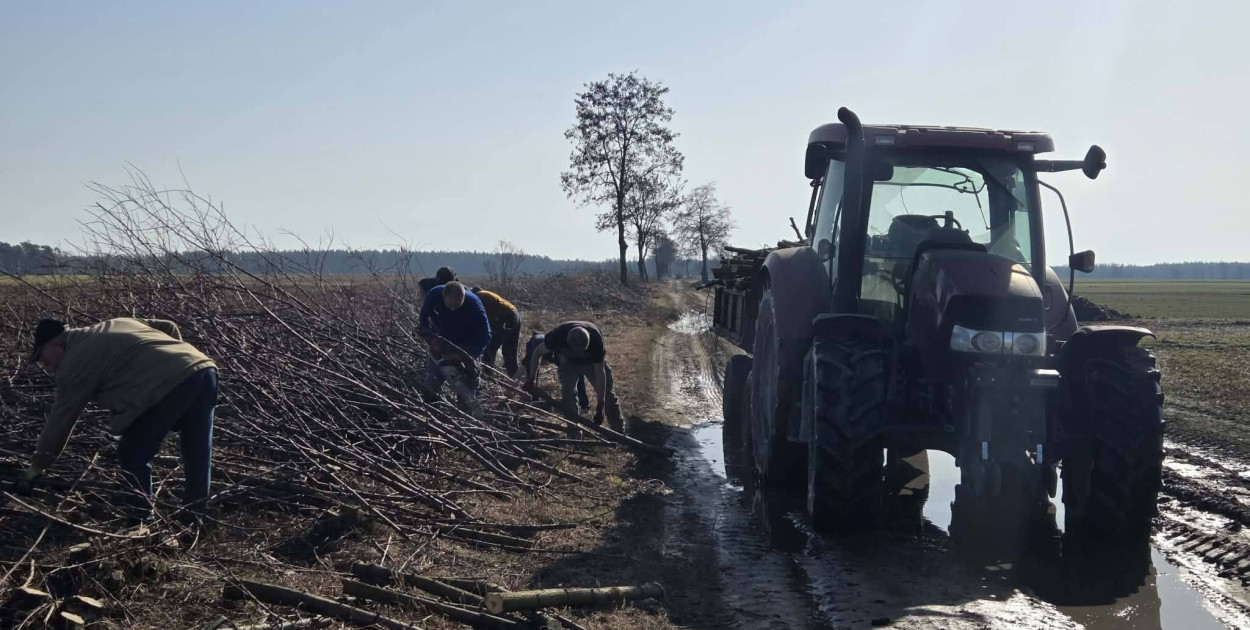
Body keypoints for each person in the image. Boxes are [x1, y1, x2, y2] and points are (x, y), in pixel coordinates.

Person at [22, 317, 218, 519]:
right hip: (203, 368)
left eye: (44, 359)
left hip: (171, 384)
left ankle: (140, 521)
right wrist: (171, 361)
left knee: (132, 454)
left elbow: (59, 424)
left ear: (56, 343)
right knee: (197, 451)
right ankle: (195, 518)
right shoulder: (114, 323)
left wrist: (34, 469)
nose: (48, 367)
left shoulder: (74, 363)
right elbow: (169, 326)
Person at [523, 321, 621, 427]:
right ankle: (573, 431)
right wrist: (531, 378)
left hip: (590, 363)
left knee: (608, 396)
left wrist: (601, 404)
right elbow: (537, 352)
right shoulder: (558, 335)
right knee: (568, 397)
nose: (579, 354)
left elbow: (599, 373)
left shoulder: (596, 340)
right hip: (568, 362)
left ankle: (619, 431)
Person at [417, 281, 491, 417]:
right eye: (449, 305)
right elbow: (423, 321)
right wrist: (431, 337)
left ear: (463, 298)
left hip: (468, 344)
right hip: (443, 340)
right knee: (432, 381)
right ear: (443, 297)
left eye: (457, 305)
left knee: (467, 386)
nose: (452, 309)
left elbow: (485, 336)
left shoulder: (474, 305)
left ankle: (468, 419)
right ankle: (430, 415)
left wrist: (464, 355)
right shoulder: (434, 294)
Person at [471, 287, 522, 377]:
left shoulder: (480, 296)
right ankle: (515, 377)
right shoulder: (487, 295)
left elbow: (483, 318)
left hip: (506, 319)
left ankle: (487, 375)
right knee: (509, 351)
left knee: (490, 348)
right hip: (515, 316)